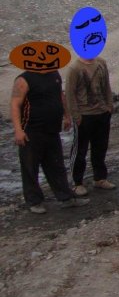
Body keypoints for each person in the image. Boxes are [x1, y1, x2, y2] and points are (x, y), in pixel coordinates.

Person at [10, 64, 89, 213]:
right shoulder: (23, 79)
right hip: (31, 131)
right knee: (30, 167)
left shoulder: (54, 74)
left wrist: (66, 115)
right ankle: (34, 202)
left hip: (52, 129)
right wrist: (18, 130)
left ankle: (66, 198)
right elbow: (15, 104)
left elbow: (60, 95)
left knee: (56, 165)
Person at [65, 55, 115, 195]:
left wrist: (109, 105)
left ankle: (100, 178)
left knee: (100, 147)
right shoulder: (74, 68)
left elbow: (106, 86)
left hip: (102, 112)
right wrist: (76, 115)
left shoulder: (101, 62)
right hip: (84, 115)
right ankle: (77, 183)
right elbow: (70, 93)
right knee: (80, 150)